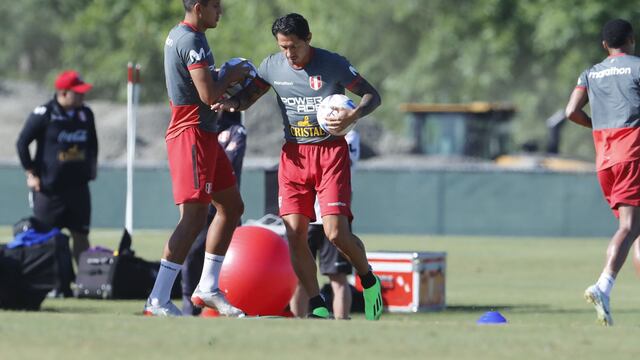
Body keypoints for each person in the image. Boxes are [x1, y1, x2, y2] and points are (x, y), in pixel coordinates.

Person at [215, 13, 384, 320]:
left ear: (308, 39)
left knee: (336, 234)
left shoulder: (333, 64)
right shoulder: (271, 66)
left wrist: (353, 115)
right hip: (293, 158)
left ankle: (369, 278)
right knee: (295, 233)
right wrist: (233, 104)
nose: (289, 53)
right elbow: (251, 94)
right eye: (283, 47)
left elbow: (373, 96)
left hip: (330, 154)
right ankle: (316, 302)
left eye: (293, 46)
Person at [143, 0, 250, 317]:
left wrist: (222, 78)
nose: (220, 12)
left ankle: (207, 286)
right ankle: (158, 298)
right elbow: (209, 96)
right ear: (199, 7)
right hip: (190, 133)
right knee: (192, 218)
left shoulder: (182, 34)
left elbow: (203, 89)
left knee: (231, 207)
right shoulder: (190, 39)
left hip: (205, 132)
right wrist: (231, 73)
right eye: (216, 6)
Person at [565, 18, 640, 326]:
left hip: (606, 159)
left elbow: (571, 112)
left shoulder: (591, 72)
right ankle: (603, 285)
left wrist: (598, 125)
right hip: (634, 154)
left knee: (636, 230)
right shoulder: (637, 67)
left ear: (605, 46)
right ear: (632, 41)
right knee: (629, 227)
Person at [16, 70, 97, 263]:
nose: (82, 96)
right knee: (46, 237)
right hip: (49, 190)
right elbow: (22, 143)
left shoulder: (86, 114)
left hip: (78, 189)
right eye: (77, 92)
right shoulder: (44, 114)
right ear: (63, 93)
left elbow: (92, 144)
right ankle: (52, 281)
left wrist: (91, 169)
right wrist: (31, 173)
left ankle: (84, 281)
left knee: (81, 235)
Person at [289, 129, 360, 319]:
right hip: (307, 217)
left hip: (335, 217)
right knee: (300, 278)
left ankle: (341, 322)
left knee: (338, 278)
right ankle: (296, 322)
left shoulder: (350, 134)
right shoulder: (304, 130)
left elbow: (344, 161)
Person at [181, 111, 247, 316]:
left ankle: (238, 300)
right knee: (191, 254)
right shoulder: (199, 128)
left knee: (236, 257)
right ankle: (189, 307)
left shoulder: (236, 131)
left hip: (224, 205)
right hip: (201, 203)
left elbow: (229, 164)